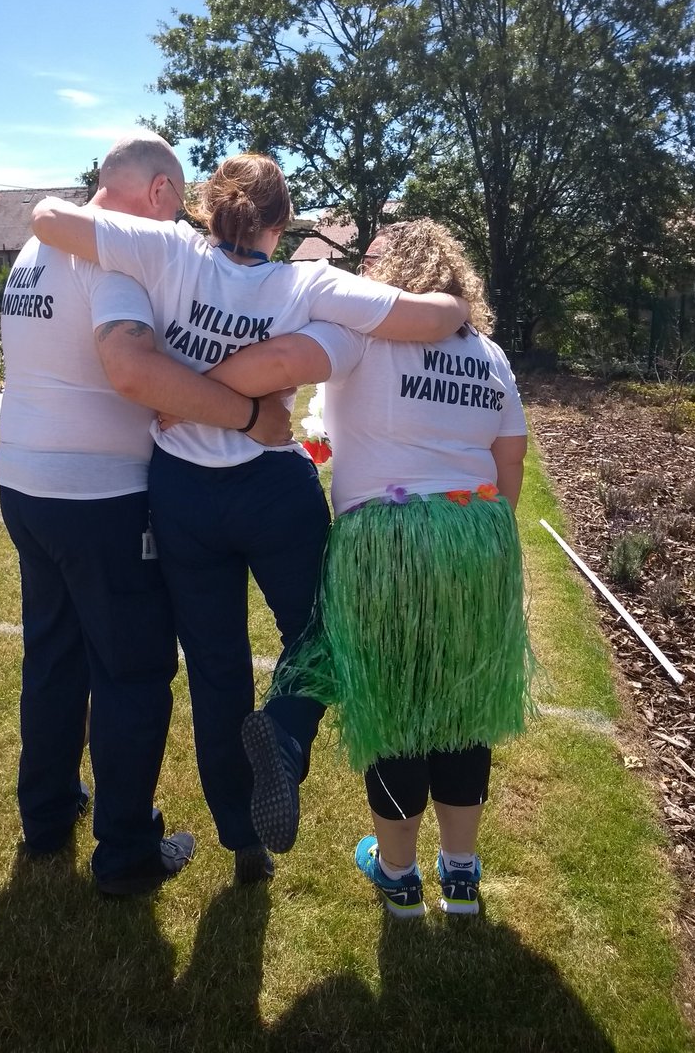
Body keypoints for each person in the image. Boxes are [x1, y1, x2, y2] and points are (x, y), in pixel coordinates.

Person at [30, 157, 471, 881]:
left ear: (209, 209)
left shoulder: (167, 248)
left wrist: (186, 390)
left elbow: (48, 218)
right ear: (281, 223)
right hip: (271, 485)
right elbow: (424, 319)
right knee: (327, 629)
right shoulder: (307, 280)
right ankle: (287, 740)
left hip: (180, 493)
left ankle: (245, 841)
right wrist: (455, 305)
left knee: (216, 670)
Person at [205, 218, 533, 917]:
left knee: (395, 711)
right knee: (464, 708)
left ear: (390, 279)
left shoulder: (364, 336)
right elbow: (511, 467)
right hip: (476, 537)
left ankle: (400, 875)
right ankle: (464, 875)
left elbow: (276, 365)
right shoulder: (492, 355)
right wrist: (485, 552)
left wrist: (196, 388)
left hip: (385, 541)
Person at [0, 133, 291, 895]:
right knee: (132, 673)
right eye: (181, 201)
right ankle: (127, 851)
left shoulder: (35, 253)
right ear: (159, 192)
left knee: (55, 657)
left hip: (25, 486)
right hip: (98, 499)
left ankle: (48, 812)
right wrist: (245, 412)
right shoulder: (116, 256)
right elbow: (130, 367)